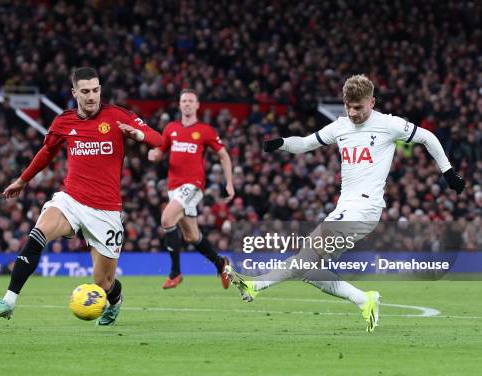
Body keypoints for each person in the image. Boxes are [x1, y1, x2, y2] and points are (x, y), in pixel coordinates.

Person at [225, 74, 465, 332]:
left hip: (365, 208)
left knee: (307, 254)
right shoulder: (340, 126)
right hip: (345, 208)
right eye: (348, 107)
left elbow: (428, 137)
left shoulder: (388, 124)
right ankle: (364, 299)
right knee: (309, 269)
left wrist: (448, 172)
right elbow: (305, 144)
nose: (353, 112)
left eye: (358, 107)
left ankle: (256, 285)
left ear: (372, 102)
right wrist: (281, 143)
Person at [0, 67, 163, 325]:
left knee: (103, 282)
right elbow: (46, 152)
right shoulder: (64, 121)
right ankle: (8, 302)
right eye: (86, 91)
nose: (92, 96)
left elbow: (159, 140)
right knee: (37, 234)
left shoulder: (118, 116)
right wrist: (22, 180)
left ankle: (115, 300)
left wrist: (140, 135)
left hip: (106, 211)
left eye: (96, 90)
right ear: (75, 92)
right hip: (71, 200)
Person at [148, 89, 234, 289]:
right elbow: (160, 151)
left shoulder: (205, 130)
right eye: (184, 101)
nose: (187, 104)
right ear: (179, 105)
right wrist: (154, 155)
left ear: (197, 105)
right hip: (173, 187)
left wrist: (229, 183)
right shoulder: (170, 128)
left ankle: (175, 273)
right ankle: (221, 263)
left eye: (190, 101)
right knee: (191, 236)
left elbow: (224, 156)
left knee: (167, 219)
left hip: (193, 186)